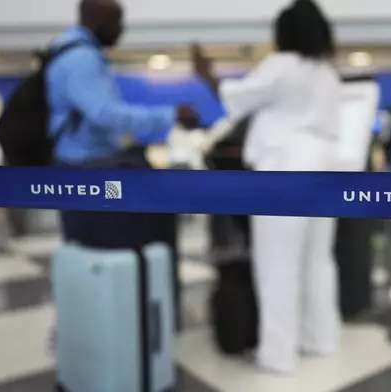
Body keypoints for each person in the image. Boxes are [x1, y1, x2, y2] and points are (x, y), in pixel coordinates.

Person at [196, 0, 342, 374]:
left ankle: (277, 355)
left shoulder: (282, 65)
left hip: (284, 170)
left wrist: (207, 73)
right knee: (318, 261)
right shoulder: (327, 73)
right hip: (325, 169)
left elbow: (236, 98)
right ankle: (320, 339)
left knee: (277, 263)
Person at [45, 0, 198, 345]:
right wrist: (169, 116)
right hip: (87, 174)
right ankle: (109, 330)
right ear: (95, 17)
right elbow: (104, 113)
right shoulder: (81, 59)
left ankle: (92, 327)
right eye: (118, 21)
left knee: (85, 251)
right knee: (110, 248)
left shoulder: (73, 54)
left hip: (84, 171)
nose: (121, 30)